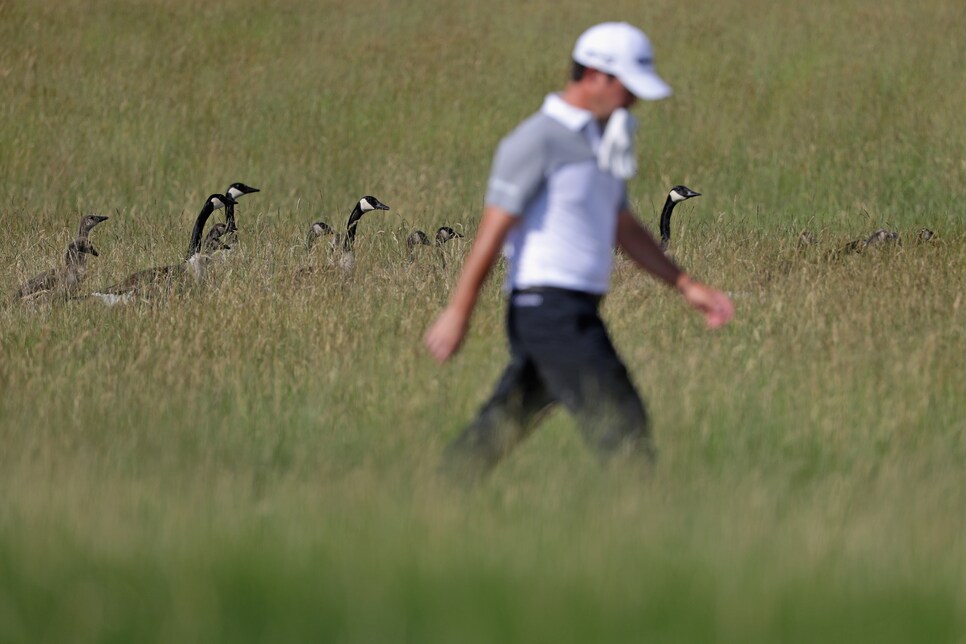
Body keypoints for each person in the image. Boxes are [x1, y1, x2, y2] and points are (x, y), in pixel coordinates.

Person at [424, 22, 734, 481]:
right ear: (594, 75)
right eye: (628, 89)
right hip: (550, 309)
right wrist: (459, 309)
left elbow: (623, 226)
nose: (634, 101)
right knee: (623, 423)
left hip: (566, 309)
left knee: (502, 423)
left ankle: (431, 501)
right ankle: (649, 534)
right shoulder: (537, 140)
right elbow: (494, 226)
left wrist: (686, 285)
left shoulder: (602, 142)